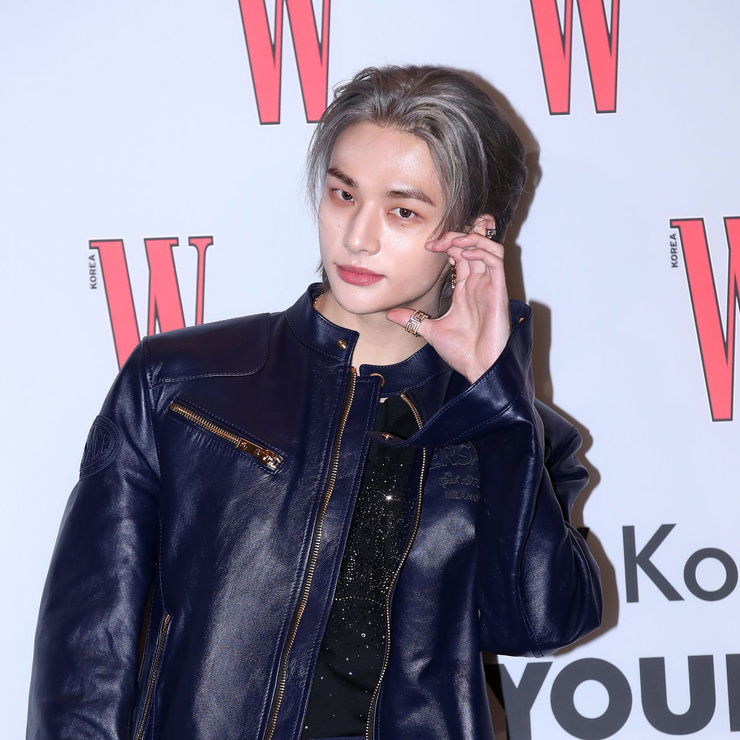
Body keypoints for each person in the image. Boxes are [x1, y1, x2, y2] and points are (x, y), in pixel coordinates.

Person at [27, 65, 602, 740]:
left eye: (403, 211)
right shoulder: (181, 383)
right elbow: (88, 654)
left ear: (472, 237)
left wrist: (496, 398)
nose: (357, 236)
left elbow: (539, 624)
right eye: (343, 194)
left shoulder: (510, 428)